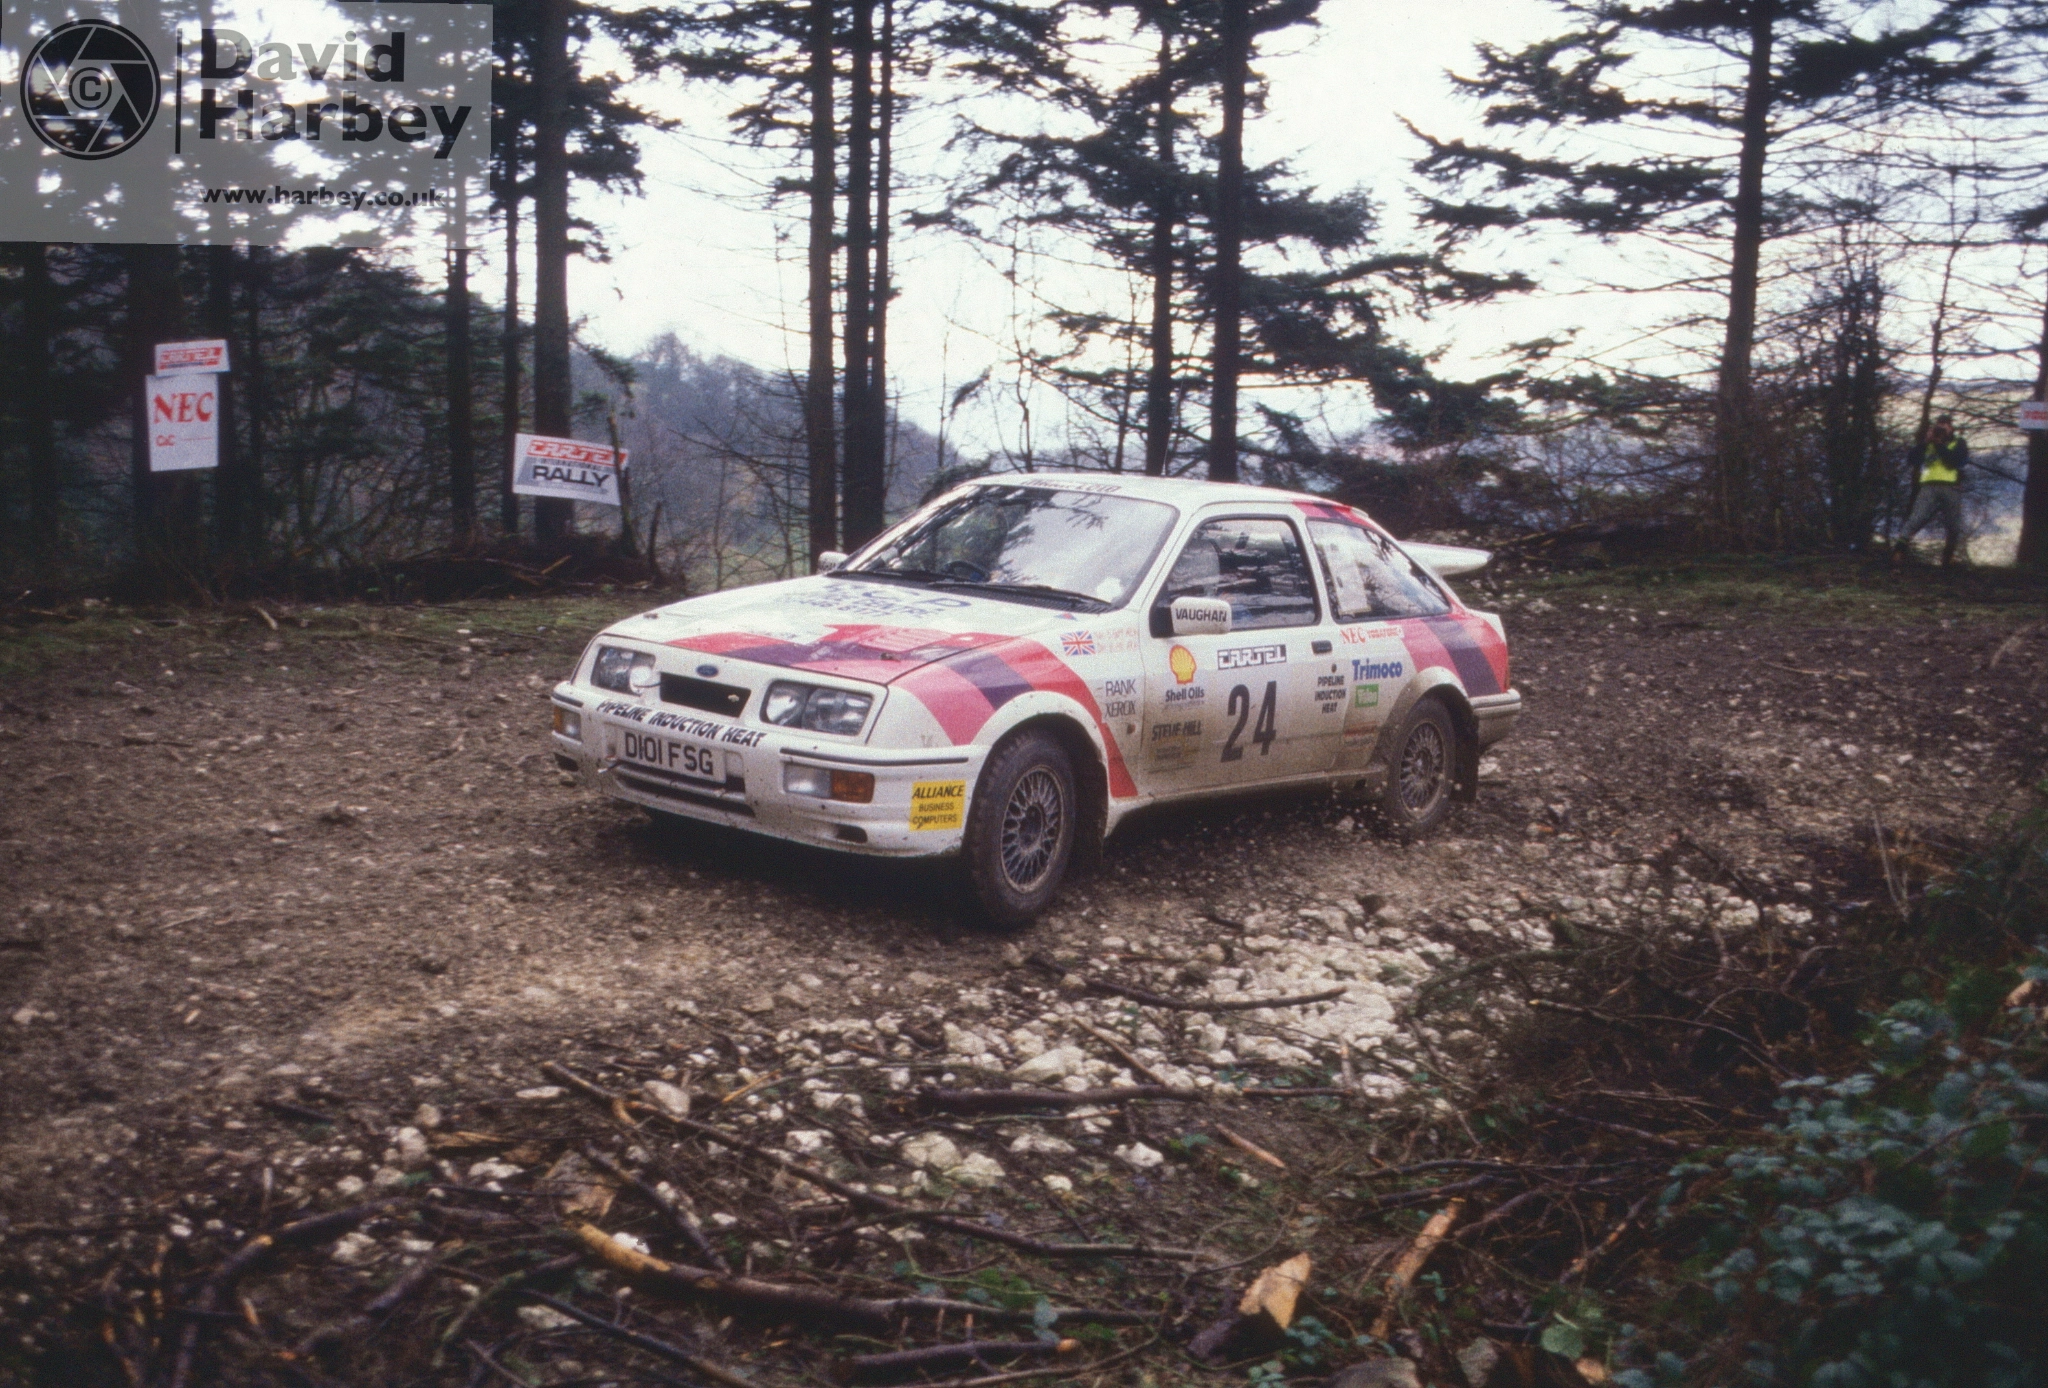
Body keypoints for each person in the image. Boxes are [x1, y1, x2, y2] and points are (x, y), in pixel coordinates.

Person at [1895, 413, 1970, 566]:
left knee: (1954, 526)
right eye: (1939, 426)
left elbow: (1954, 461)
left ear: (1951, 427)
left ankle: (1947, 558)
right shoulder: (1927, 444)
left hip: (1951, 486)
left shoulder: (1959, 442)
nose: (1942, 429)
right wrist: (1925, 442)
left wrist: (1940, 445)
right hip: (1928, 486)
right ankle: (1898, 553)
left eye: (1946, 425)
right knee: (1916, 519)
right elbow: (1912, 460)